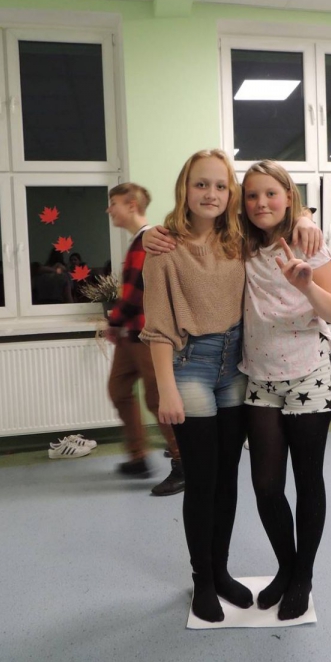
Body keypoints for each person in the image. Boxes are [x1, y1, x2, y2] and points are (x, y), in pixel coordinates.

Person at [141, 150, 322, 623]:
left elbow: (279, 211)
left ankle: (220, 571)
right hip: (191, 366)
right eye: (201, 185)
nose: (211, 194)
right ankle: (203, 580)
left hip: (237, 368)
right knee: (201, 480)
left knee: (228, 478)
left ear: (231, 195)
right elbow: (157, 327)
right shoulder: (163, 249)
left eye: (221, 186)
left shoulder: (237, 239)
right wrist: (166, 389)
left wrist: (305, 216)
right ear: (184, 189)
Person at [240, 160, 331, 621]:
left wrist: (307, 287)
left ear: (288, 196)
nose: (261, 202)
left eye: (271, 193)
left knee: (307, 479)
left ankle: (303, 576)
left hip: (310, 374)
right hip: (260, 377)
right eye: (252, 195)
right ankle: (286, 567)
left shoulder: (309, 242)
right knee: (266, 485)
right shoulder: (241, 245)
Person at [105, 182, 183, 496]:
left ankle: (183, 461)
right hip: (130, 335)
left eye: (113, 203)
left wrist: (113, 320)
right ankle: (138, 457)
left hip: (146, 337)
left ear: (131, 205)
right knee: (119, 389)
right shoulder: (137, 241)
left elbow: (138, 292)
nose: (109, 209)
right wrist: (118, 325)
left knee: (157, 399)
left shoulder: (147, 241)